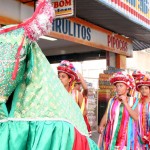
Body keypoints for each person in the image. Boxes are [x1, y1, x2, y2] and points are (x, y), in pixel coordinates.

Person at [0, 0, 99, 149]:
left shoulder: (74, 94)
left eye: (63, 76)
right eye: (59, 76)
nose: (60, 79)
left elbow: (85, 101)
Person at [98, 71, 139, 150]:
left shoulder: (133, 101)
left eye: (121, 86)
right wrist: (101, 125)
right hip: (112, 134)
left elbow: (136, 117)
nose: (118, 88)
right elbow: (107, 114)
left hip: (126, 136)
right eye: (117, 86)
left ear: (127, 87)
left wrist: (125, 103)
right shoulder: (112, 100)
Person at [133, 72, 150, 149]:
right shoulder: (137, 102)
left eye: (146, 88)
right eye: (142, 88)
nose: (143, 90)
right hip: (139, 134)